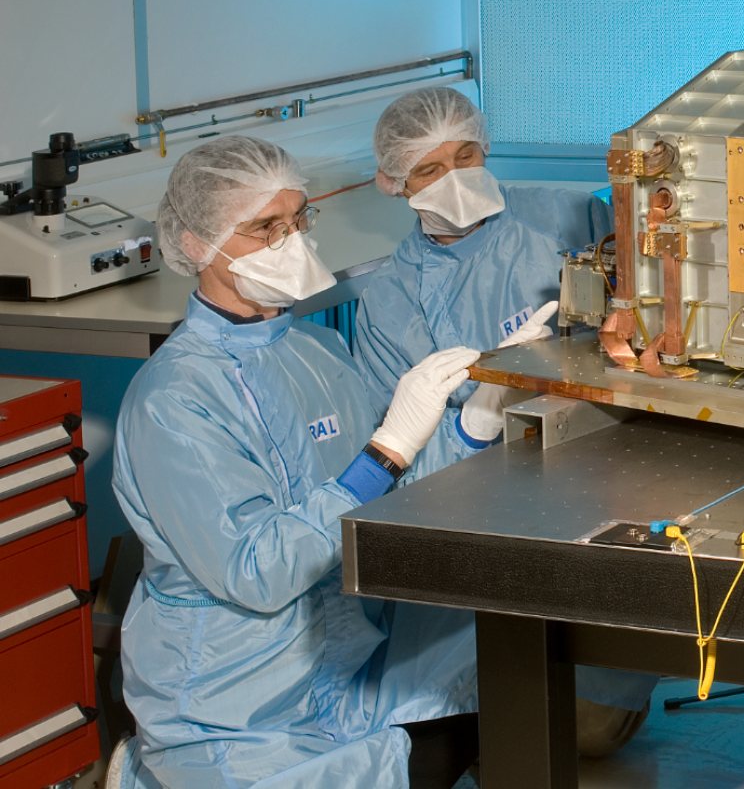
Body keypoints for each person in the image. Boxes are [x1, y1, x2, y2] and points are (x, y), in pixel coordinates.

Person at [111, 136, 482, 788]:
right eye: (265, 228)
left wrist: (473, 429)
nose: (293, 241)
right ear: (199, 243)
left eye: (297, 219)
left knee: (500, 665)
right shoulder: (173, 401)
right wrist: (388, 446)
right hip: (228, 706)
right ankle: (148, 775)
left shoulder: (316, 349)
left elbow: (384, 488)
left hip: (339, 659)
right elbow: (258, 571)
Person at [353, 86, 657, 756]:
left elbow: (643, 317)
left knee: (588, 726)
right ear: (395, 183)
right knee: (449, 725)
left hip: (591, 469)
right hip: (472, 498)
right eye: (431, 171)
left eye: (467, 157)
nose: (456, 180)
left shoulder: (567, 221)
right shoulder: (388, 303)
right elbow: (399, 477)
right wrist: (477, 424)